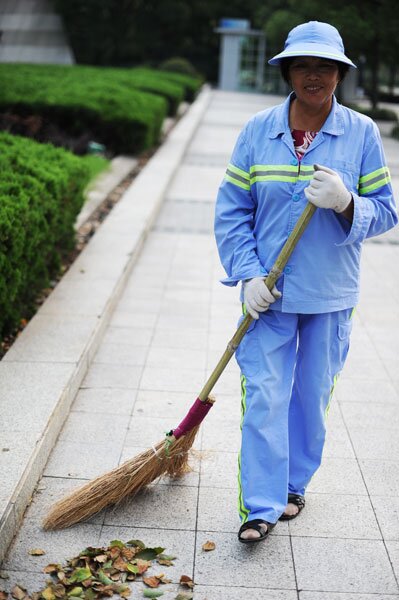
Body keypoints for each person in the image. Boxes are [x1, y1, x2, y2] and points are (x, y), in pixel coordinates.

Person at [214, 21, 398, 544]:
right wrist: (247, 273)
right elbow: (232, 211)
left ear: (339, 74)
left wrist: (346, 203)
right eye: (303, 66)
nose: (313, 76)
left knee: (310, 396)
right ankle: (261, 505)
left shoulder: (360, 133)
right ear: (287, 72)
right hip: (266, 297)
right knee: (266, 394)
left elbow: (386, 213)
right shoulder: (257, 131)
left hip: (330, 294)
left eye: (324, 67)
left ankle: (294, 485)